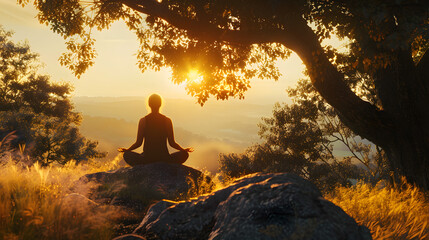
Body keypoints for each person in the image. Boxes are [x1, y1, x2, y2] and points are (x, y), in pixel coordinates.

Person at [118, 94, 193, 166]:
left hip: (147, 158)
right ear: (160, 104)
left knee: (127, 155)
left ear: (149, 104)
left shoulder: (143, 121)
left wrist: (127, 150)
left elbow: (138, 143)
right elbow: (172, 143)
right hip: (164, 158)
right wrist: (183, 150)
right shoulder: (167, 121)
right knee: (185, 154)